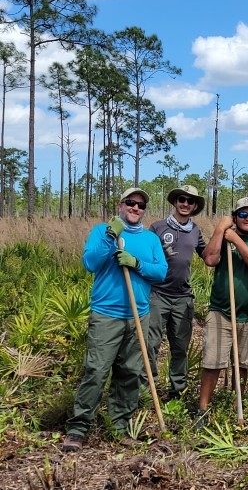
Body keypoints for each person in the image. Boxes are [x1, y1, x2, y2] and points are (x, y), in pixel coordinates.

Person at [63, 188, 167, 452]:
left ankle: (120, 426)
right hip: (106, 314)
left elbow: (161, 272)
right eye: (130, 203)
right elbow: (90, 262)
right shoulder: (102, 231)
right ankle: (78, 428)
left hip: (138, 314)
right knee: (96, 371)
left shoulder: (150, 238)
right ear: (121, 205)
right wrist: (111, 235)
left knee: (130, 373)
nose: (135, 208)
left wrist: (136, 263)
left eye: (140, 205)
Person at [197, 197, 248, 414]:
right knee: (213, 361)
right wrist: (220, 230)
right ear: (235, 216)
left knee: (242, 364)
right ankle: (202, 409)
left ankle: (236, 405)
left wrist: (235, 240)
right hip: (221, 311)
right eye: (243, 214)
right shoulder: (223, 238)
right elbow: (210, 260)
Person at [144, 185, 206, 400]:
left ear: (195, 206)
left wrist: (226, 241)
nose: (185, 204)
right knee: (150, 344)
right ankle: (147, 389)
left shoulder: (196, 230)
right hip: (157, 294)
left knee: (180, 347)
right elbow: (144, 253)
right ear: (174, 202)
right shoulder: (157, 227)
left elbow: (207, 255)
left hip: (183, 297)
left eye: (190, 201)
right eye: (182, 199)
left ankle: (177, 391)